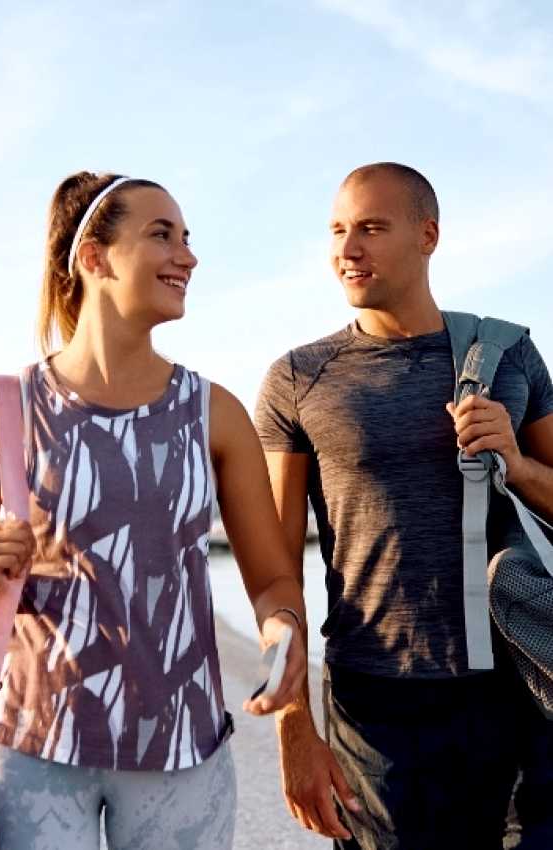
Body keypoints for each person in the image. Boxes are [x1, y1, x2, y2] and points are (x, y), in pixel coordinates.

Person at [0, 171, 307, 850]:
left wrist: (281, 631)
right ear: (94, 258)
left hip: (183, 754)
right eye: (161, 234)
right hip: (30, 747)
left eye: (187, 238)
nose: (187, 256)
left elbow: (273, 578)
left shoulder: (214, 413)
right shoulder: (3, 405)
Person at [255, 162, 553, 850]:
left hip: (514, 690)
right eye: (336, 230)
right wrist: (295, 727)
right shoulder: (299, 378)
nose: (347, 248)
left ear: (428, 235)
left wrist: (517, 462)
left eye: (370, 227)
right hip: (374, 707)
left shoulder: (511, 356)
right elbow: (274, 570)